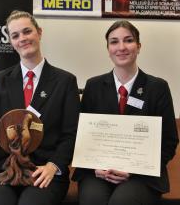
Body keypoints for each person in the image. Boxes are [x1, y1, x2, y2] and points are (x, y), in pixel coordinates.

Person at [0, 10, 80, 205]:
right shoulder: (0, 80)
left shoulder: (65, 81)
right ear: (11, 41)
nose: (22, 38)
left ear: (39, 33)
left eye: (27, 32)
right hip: (4, 168)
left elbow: (71, 134)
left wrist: (54, 165)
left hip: (45, 169)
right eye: (15, 35)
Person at [73, 20, 179, 205]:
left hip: (142, 176)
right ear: (108, 49)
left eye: (128, 40)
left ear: (139, 46)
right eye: (114, 42)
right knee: (93, 199)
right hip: (97, 172)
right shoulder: (93, 86)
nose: (121, 47)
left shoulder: (157, 88)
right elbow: (83, 136)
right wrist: (94, 166)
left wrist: (135, 169)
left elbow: (169, 140)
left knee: (122, 201)